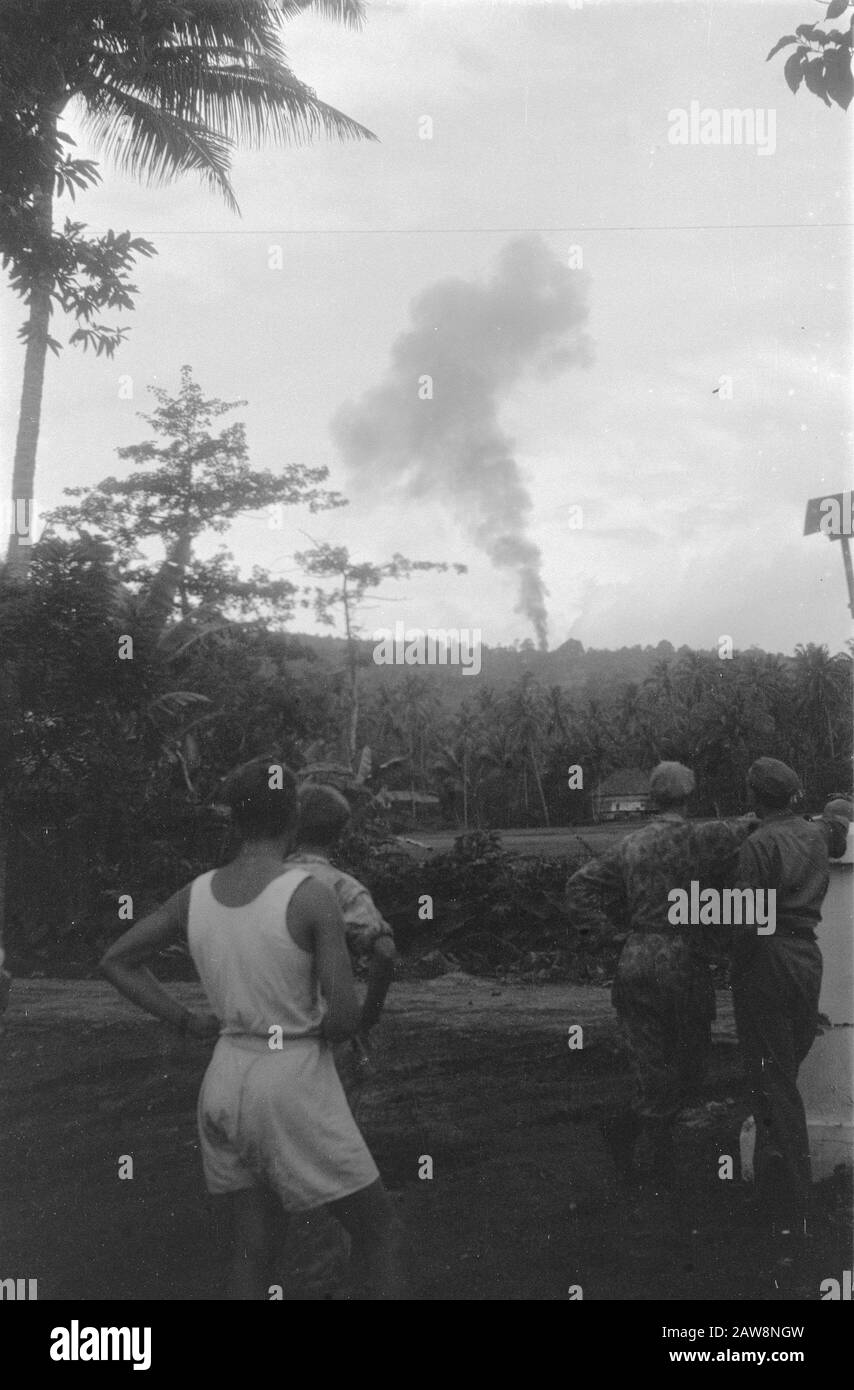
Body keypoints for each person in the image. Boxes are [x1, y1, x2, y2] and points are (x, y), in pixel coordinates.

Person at [100, 758, 405, 1300]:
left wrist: (188, 1020)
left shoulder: (195, 894)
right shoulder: (310, 893)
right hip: (292, 1082)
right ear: (293, 819)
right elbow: (341, 1021)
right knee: (377, 1230)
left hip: (225, 1077)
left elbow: (118, 960)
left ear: (235, 823)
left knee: (253, 1246)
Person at [565, 761, 753, 1186]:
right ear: (689, 796)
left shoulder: (631, 844)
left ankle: (642, 1143)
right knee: (689, 1064)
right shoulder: (704, 838)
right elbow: (750, 827)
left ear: (652, 797)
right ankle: (652, 1149)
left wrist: (609, 936)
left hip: (637, 959)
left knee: (652, 1063)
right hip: (685, 961)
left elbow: (579, 886)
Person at [730, 758, 850, 1237]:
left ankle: (793, 1200)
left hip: (767, 957)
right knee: (779, 1073)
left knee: (771, 1079)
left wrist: (735, 968)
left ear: (755, 797)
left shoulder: (758, 843)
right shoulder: (816, 834)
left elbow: (744, 916)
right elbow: (838, 829)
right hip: (806, 957)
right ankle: (778, 1194)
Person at [285, 783, 398, 1095]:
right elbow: (385, 952)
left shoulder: (266, 880)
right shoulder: (344, 888)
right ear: (340, 834)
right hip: (321, 1035)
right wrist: (366, 1019)